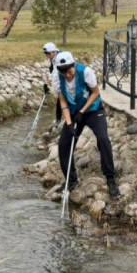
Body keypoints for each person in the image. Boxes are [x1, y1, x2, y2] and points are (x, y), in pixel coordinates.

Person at [52, 52, 119, 198]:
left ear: (74, 65)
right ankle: (71, 181)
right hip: (74, 113)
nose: (67, 75)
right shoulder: (57, 77)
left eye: (69, 71)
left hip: (93, 110)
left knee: (103, 139)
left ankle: (110, 179)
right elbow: (62, 101)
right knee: (64, 144)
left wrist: (82, 111)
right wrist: (69, 123)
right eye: (63, 73)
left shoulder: (86, 72)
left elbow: (95, 92)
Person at [42, 42, 62, 122]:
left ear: (54, 51)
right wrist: (48, 83)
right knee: (60, 99)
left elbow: (56, 75)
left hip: (70, 81)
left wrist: (50, 89)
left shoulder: (59, 58)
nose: (47, 56)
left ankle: (61, 121)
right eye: (46, 54)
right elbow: (54, 70)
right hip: (64, 79)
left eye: (48, 54)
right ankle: (59, 120)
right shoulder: (54, 58)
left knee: (62, 99)